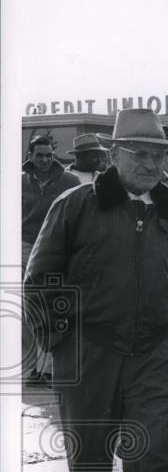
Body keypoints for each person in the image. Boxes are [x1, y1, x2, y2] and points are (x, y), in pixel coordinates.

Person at [24, 108, 168, 472]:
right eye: (140, 154)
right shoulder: (75, 205)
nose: (151, 164)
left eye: (159, 155)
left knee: (154, 453)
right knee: (91, 453)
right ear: (114, 155)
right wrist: (57, 340)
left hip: (153, 352)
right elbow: (41, 278)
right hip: (88, 349)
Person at [21, 134, 82, 384]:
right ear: (30, 157)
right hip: (24, 247)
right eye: (39, 156)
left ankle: (47, 369)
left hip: (55, 249)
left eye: (49, 155)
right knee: (26, 307)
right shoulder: (19, 182)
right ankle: (30, 368)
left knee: (51, 307)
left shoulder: (69, 180)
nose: (45, 160)